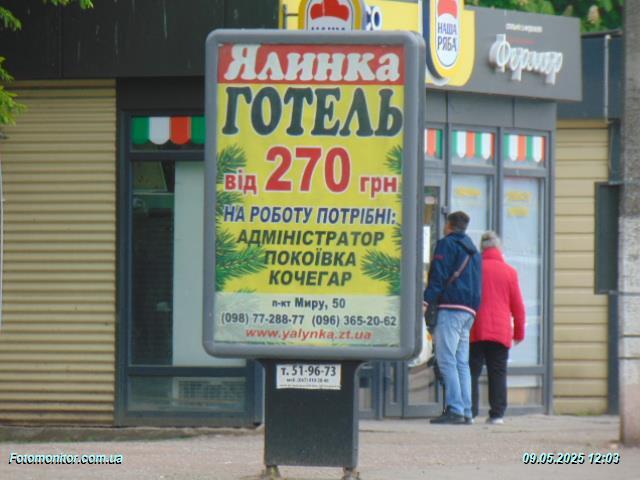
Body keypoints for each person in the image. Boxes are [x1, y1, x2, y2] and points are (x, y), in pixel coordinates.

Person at [424, 211, 482, 425]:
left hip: (450, 309)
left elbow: (438, 275)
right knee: (461, 362)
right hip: (469, 312)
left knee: (446, 359)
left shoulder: (446, 244)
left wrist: (426, 300)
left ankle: (455, 409)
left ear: (449, 225)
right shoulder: (474, 251)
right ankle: (466, 411)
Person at [470, 231, 525, 425]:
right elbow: (518, 306)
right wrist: (519, 333)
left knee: (472, 371)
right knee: (498, 372)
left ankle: (470, 412)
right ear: (499, 248)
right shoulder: (510, 272)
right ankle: (497, 414)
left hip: (475, 328)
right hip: (500, 330)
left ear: (481, 248)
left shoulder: (473, 268)